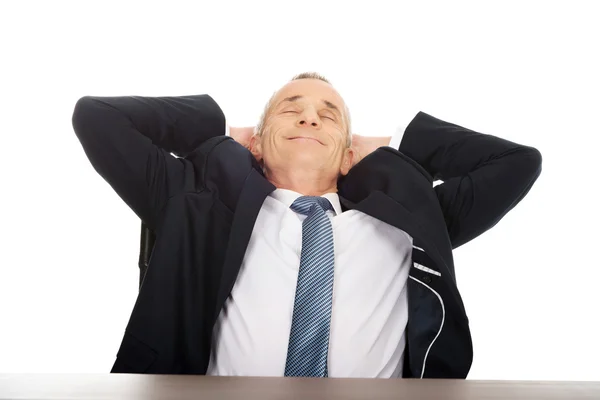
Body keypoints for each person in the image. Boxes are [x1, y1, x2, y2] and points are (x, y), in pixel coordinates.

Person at [71, 72, 542, 379]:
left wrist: (402, 143)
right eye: (289, 108)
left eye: (329, 115)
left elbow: (517, 163)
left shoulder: (412, 223)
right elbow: (99, 118)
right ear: (254, 142)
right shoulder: (195, 205)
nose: (309, 116)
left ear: (351, 153)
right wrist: (210, 124)